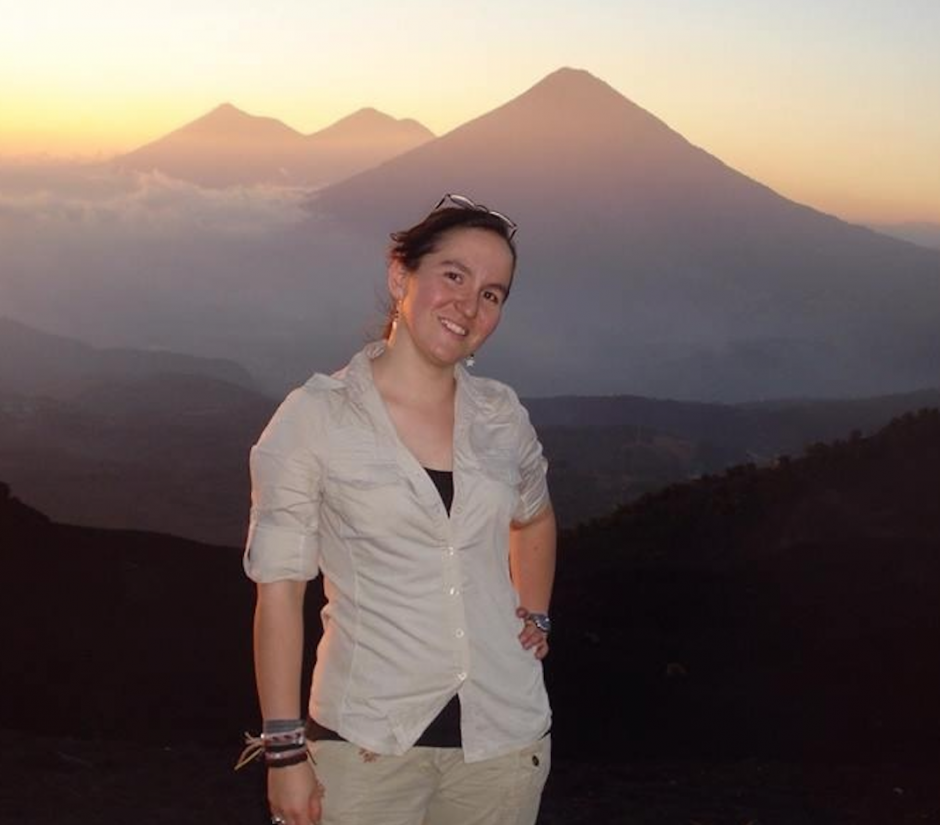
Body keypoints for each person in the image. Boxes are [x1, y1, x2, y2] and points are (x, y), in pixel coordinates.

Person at [242, 193, 557, 825]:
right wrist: (284, 750)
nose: (469, 305)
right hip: (366, 744)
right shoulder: (315, 420)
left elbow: (536, 516)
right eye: (453, 275)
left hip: (503, 741)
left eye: (491, 294)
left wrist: (536, 613)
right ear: (399, 275)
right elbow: (279, 592)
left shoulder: (501, 416)